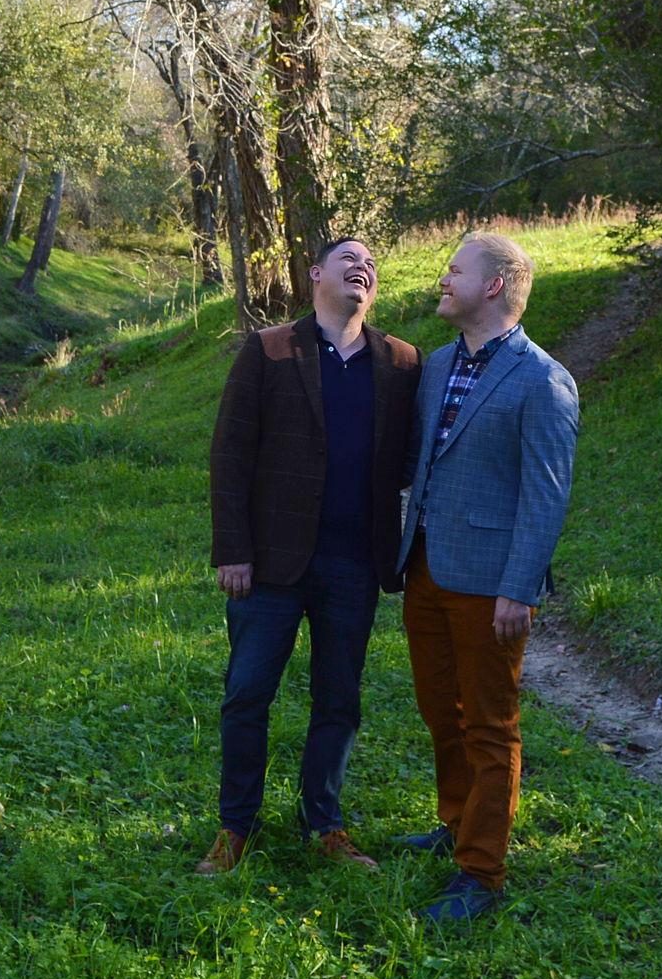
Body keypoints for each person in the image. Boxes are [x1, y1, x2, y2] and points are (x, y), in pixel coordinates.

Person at [197, 237, 423, 875]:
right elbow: (230, 453)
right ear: (315, 273)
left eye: (373, 263)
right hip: (269, 565)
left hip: (354, 564)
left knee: (339, 700)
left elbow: (411, 463)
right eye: (350, 259)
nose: (364, 267)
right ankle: (234, 828)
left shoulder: (403, 363)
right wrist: (232, 550)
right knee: (246, 694)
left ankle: (323, 823)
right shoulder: (269, 349)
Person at [389, 230, 579, 923]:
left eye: (454, 269)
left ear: (493, 284)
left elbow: (545, 492)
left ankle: (481, 872)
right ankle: (455, 821)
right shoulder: (438, 365)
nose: (443, 278)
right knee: (441, 708)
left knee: (491, 724)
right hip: (426, 570)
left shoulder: (542, 378)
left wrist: (520, 586)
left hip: (489, 584)